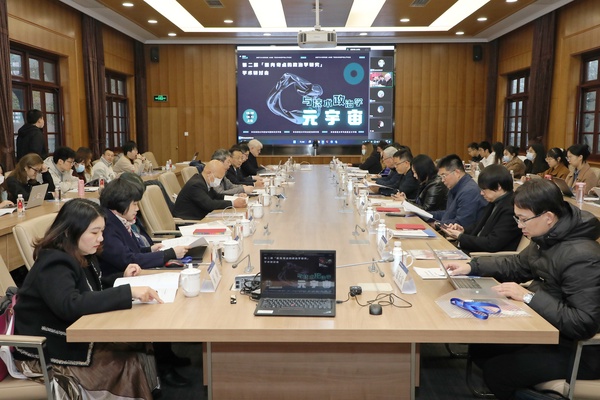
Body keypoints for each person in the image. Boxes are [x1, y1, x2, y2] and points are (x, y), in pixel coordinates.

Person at [446, 179, 600, 400]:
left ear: (548, 217)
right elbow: (517, 265)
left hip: (580, 352)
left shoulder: (582, 257)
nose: (519, 226)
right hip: (549, 330)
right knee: (482, 349)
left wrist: (528, 297)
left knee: (498, 372)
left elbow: (582, 323)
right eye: (517, 218)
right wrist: (472, 267)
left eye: (524, 219)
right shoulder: (546, 238)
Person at [13, 198, 162, 399]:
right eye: (94, 232)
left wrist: (122, 278)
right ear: (70, 232)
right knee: (124, 363)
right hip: (44, 350)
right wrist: (128, 292)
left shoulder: (80, 253)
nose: (101, 238)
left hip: (66, 336)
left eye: (102, 231)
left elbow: (92, 287)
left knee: (137, 344)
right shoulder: (54, 262)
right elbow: (70, 304)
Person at [98, 176, 189, 275]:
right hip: (120, 279)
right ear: (121, 202)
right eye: (134, 204)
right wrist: (169, 254)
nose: (137, 209)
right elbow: (128, 260)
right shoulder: (107, 227)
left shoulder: (119, 220)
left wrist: (150, 249)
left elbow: (132, 251)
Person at [442, 164, 522, 254]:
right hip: (474, 251)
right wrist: (463, 230)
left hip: (485, 257)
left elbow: (492, 243)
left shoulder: (511, 209)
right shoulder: (495, 201)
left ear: (498, 187)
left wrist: (461, 237)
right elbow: (480, 225)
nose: (481, 193)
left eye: (484, 190)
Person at [174, 159, 247, 220]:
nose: (219, 181)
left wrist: (235, 197)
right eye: (218, 178)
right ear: (209, 173)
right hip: (189, 222)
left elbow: (217, 196)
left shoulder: (205, 181)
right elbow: (209, 204)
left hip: (201, 218)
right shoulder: (196, 185)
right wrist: (233, 203)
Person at [430, 154, 487, 227]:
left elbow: (462, 223)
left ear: (457, 173)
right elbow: (448, 214)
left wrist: (436, 224)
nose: (442, 180)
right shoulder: (455, 187)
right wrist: (426, 215)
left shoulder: (469, 191)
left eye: (444, 176)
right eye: (441, 177)